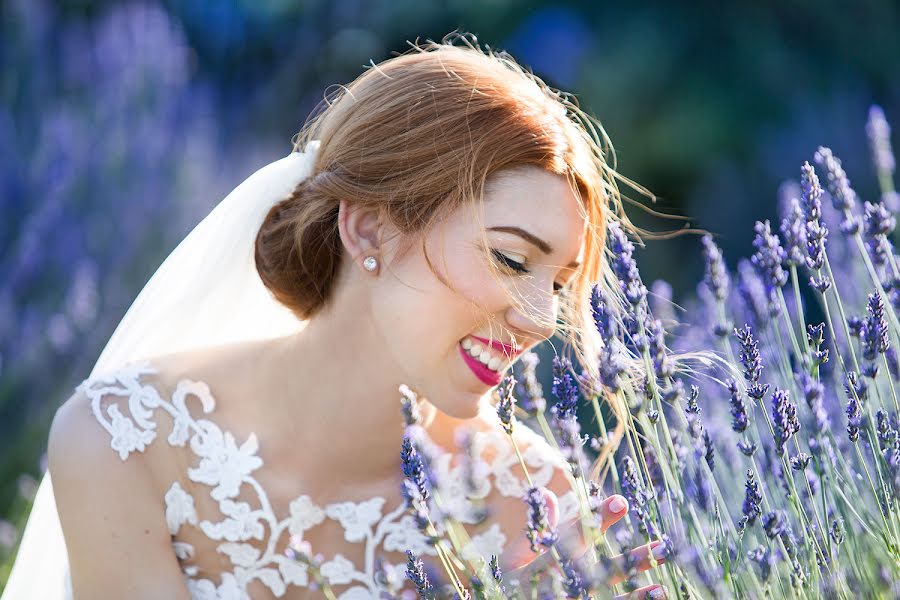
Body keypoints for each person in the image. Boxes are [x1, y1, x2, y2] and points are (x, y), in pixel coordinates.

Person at [3, 34, 667, 599]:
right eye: (513, 260)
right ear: (369, 229)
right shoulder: (124, 438)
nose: (543, 320)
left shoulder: (528, 498)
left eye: (560, 284)